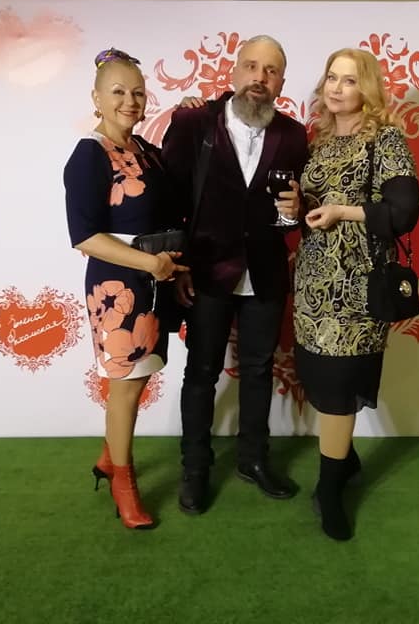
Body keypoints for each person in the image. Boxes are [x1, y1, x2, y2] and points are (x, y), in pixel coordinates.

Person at [161, 35, 309, 515]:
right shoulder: (193, 122)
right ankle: (195, 468)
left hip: (266, 273)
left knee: (258, 370)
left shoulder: (294, 135)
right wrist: (178, 265)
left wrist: (296, 210)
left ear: (281, 82)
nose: (259, 78)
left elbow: (291, 215)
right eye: (251, 66)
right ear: (234, 71)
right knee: (201, 372)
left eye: (271, 71)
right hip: (204, 272)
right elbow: (171, 200)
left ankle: (253, 459)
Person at [293, 48, 419, 541]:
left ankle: (328, 490)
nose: (336, 87)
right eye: (331, 77)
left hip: (358, 285)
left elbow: (404, 212)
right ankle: (344, 462)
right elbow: (312, 207)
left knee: (339, 387)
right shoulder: (319, 141)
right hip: (312, 283)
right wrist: (297, 205)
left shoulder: (385, 138)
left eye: (349, 80)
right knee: (319, 377)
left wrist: (343, 211)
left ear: (366, 89)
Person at [63, 47, 188, 530]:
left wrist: (173, 268)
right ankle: (123, 483)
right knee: (127, 385)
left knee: (140, 376)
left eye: (137, 92)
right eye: (117, 92)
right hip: (119, 286)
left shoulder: (148, 152)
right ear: (96, 98)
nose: (129, 101)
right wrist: (149, 263)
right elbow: (85, 237)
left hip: (158, 279)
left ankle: (106, 456)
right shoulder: (88, 155)